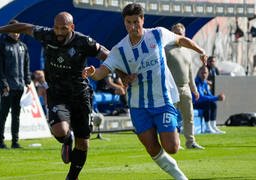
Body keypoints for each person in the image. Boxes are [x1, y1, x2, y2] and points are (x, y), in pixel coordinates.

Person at [0, 12, 110, 180]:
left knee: (83, 143)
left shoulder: (84, 42)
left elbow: (107, 54)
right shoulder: (47, 34)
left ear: (72, 27)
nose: (59, 32)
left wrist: (117, 72)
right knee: (60, 131)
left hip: (80, 95)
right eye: (56, 28)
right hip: (57, 93)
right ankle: (67, 139)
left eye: (64, 28)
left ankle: (72, 177)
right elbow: (24, 27)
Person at [82, 3, 207, 180]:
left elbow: (179, 39)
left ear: (142, 20)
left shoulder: (157, 34)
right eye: (128, 22)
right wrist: (93, 73)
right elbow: (104, 70)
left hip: (163, 101)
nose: (132, 26)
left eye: (136, 22)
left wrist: (199, 50)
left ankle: (171, 132)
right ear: (124, 23)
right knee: (151, 147)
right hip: (138, 105)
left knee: (172, 147)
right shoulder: (119, 50)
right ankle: (180, 176)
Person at [0, 19, 31, 149]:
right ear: (8, 31)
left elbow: (26, 66)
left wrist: (28, 81)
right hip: (7, 86)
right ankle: (0, 142)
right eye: (13, 31)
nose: (15, 34)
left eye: (18, 31)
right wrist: (4, 83)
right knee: (3, 113)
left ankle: (15, 141)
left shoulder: (23, 46)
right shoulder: (2, 45)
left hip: (19, 86)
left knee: (16, 114)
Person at [165, 23, 204, 150]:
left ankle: (190, 142)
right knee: (172, 117)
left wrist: (194, 89)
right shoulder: (166, 49)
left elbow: (190, 71)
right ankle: (175, 142)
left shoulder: (187, 51)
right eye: (175, 33)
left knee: (189, 116)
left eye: (180, 33)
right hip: (172, 88)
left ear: (184, 35)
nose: (178, 35)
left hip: (185, 88)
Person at [194, 66, 225, 134]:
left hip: (201, 103)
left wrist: (217, 97)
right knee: (207, 103)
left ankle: (213, 126)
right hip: (195, 103)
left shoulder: (204, 82)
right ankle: (207, 128)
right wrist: (216, 98)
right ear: (199, 73)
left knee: (213, 104)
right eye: (202, 73)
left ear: (208, 74)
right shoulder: (196, 82)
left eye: (205, 73)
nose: (204, 75)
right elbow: (200, 97)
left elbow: (209, 94)